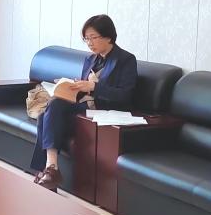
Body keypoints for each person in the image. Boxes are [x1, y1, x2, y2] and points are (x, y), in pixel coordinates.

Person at [31, 14, 138, 191]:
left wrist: (94, 87)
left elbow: (125, 96)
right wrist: (72, 87)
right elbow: (85, 90)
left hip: (105, 112)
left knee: (48, 115)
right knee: (50, 109)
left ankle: (47, 171)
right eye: (86, 39)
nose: (89, 43)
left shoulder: (126, 60)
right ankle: (51, 169)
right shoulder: (91, 59)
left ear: (108, 37)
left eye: (93, 37)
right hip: (85, 107)